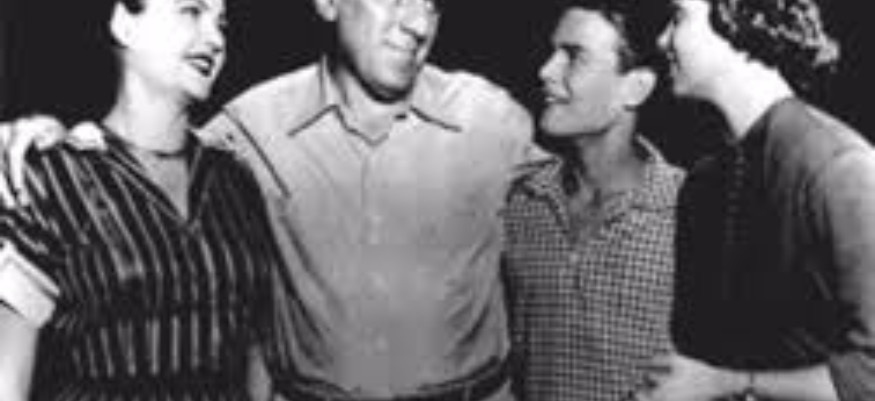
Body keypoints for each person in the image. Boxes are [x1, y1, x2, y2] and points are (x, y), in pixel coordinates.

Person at [1, 0, 546, 399]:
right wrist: (39, 135)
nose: (419, 23)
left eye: (432, 4)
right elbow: (133, 150)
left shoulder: (493, 119)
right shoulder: (250, 128)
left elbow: (581, 194)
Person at [0, 0, 283, 399]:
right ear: (124, 24)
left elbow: (257, 351)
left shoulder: (234, 180)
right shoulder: (52, 179)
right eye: (192, 11)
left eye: (222, 24)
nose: (215, 39)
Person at [638, 0, 875, 400]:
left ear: (738, 18)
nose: (663, 40)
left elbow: (869, 375)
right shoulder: (705, 182)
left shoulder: (841, 168)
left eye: (678, 18)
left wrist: (727, 383)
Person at [502, 0, 683, 400]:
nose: (546, 71)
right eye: (552, 52)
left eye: (574, 56)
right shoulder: (523, 203)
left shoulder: (693, 214)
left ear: (635, 88)